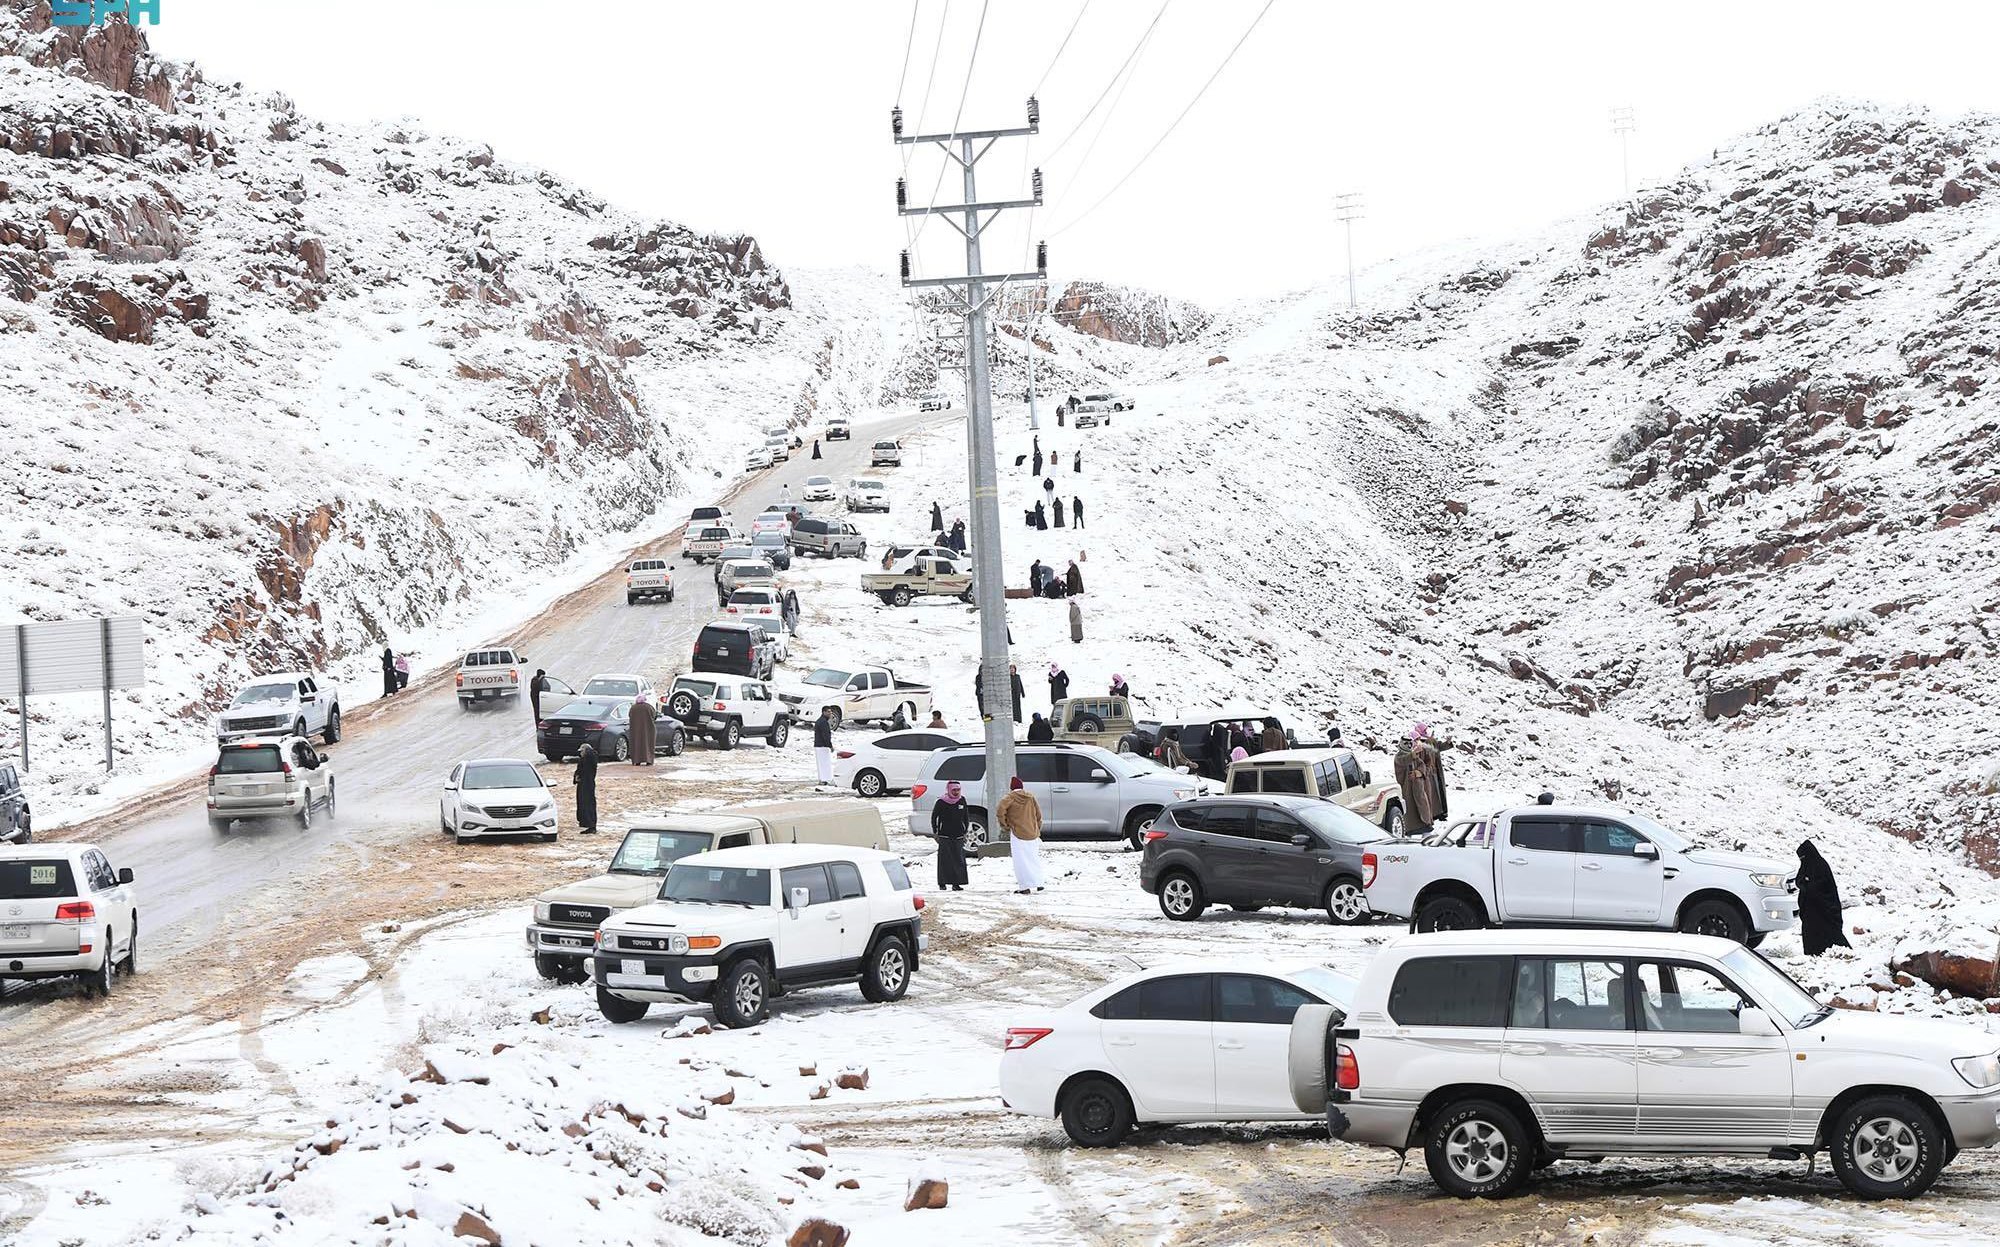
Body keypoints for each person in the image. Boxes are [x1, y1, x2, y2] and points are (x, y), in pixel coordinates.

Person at [1797, 840, 1851, 954]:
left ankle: (1841, 953)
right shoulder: (1806, 865)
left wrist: (1808, 885)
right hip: (1811, 912)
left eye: (1803, 857)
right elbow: (1799, 881)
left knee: (1830, 933)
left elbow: (1819, 887)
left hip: (1825, 909)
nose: (1802, 860)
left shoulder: (1820, 866)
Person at [1393, 725, 1443, 836]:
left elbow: (1423, 765)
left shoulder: (1415, 755)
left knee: (1424, 815)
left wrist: (1419, 773)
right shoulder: (1399, 757)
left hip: (1419, 790)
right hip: (1408, 792)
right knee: (1410, 816)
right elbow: (1403, 761)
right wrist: (1413, 754)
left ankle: (1427, 835)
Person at [998, 777, 1045, 894]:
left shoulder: (1009, 798)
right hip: (1033, 833)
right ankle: (1039, 883)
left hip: (1018, 833)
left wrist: (1005, 825)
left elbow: (1000, 811)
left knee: (1021, 861)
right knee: (1034, 859)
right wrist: (1037, 827)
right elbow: (1038, 814)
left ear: (1011, 787)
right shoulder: (1030, 797)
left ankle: (1025, 887)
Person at [930, 782, 971, 891]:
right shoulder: (941, 802)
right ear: (948, 790)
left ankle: (956, 883)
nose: (956, 792)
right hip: (945, 835)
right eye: (954, 790)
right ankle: (942, 883)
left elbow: (966, 817)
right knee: (945, 860)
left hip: (958, 835)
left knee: (958, 860)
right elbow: (934, 817)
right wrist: (935, 831)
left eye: (958, 790)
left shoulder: (962, 800)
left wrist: (965, 830)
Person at [1414, 722, 1449, 822]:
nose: (1426, 731)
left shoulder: (1430, 740)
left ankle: (1439, 813)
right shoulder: (1418, 742)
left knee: (1437, 794)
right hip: (1426, 772)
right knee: (1430, 795)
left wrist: (1447, 742)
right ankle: (1431, 815)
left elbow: (1438, 747)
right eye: (1424, 729)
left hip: (1434, 771)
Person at [574, 743, 599, 834]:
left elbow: (587, 766)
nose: (580, 754)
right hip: (583, 784)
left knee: (588, 804)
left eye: (581, 752)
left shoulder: (589, 758)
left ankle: (591, 824)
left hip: (587, 784)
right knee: (583, 803)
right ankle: (586, 822)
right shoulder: (584, 759)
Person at [629, 693, 657, 765]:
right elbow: (654, 716)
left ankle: (636, 760)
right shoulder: (649, 707)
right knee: (648, 744)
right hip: (649, 729)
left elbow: (630, 716)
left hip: (635, 730)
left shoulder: (633, 708)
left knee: (636, 743)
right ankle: (649, 760)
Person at [813, 705, 836, 785]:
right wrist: (830, 745)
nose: (830, 714)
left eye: (831, 712)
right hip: (822, 746)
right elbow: (825, 735)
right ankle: (825, 779)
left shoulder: (820, 721)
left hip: (819, 745)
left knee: (822, 763)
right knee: (824, 764)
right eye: (828, 712)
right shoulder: (823, 722)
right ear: (824, 712)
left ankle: (823, 779)